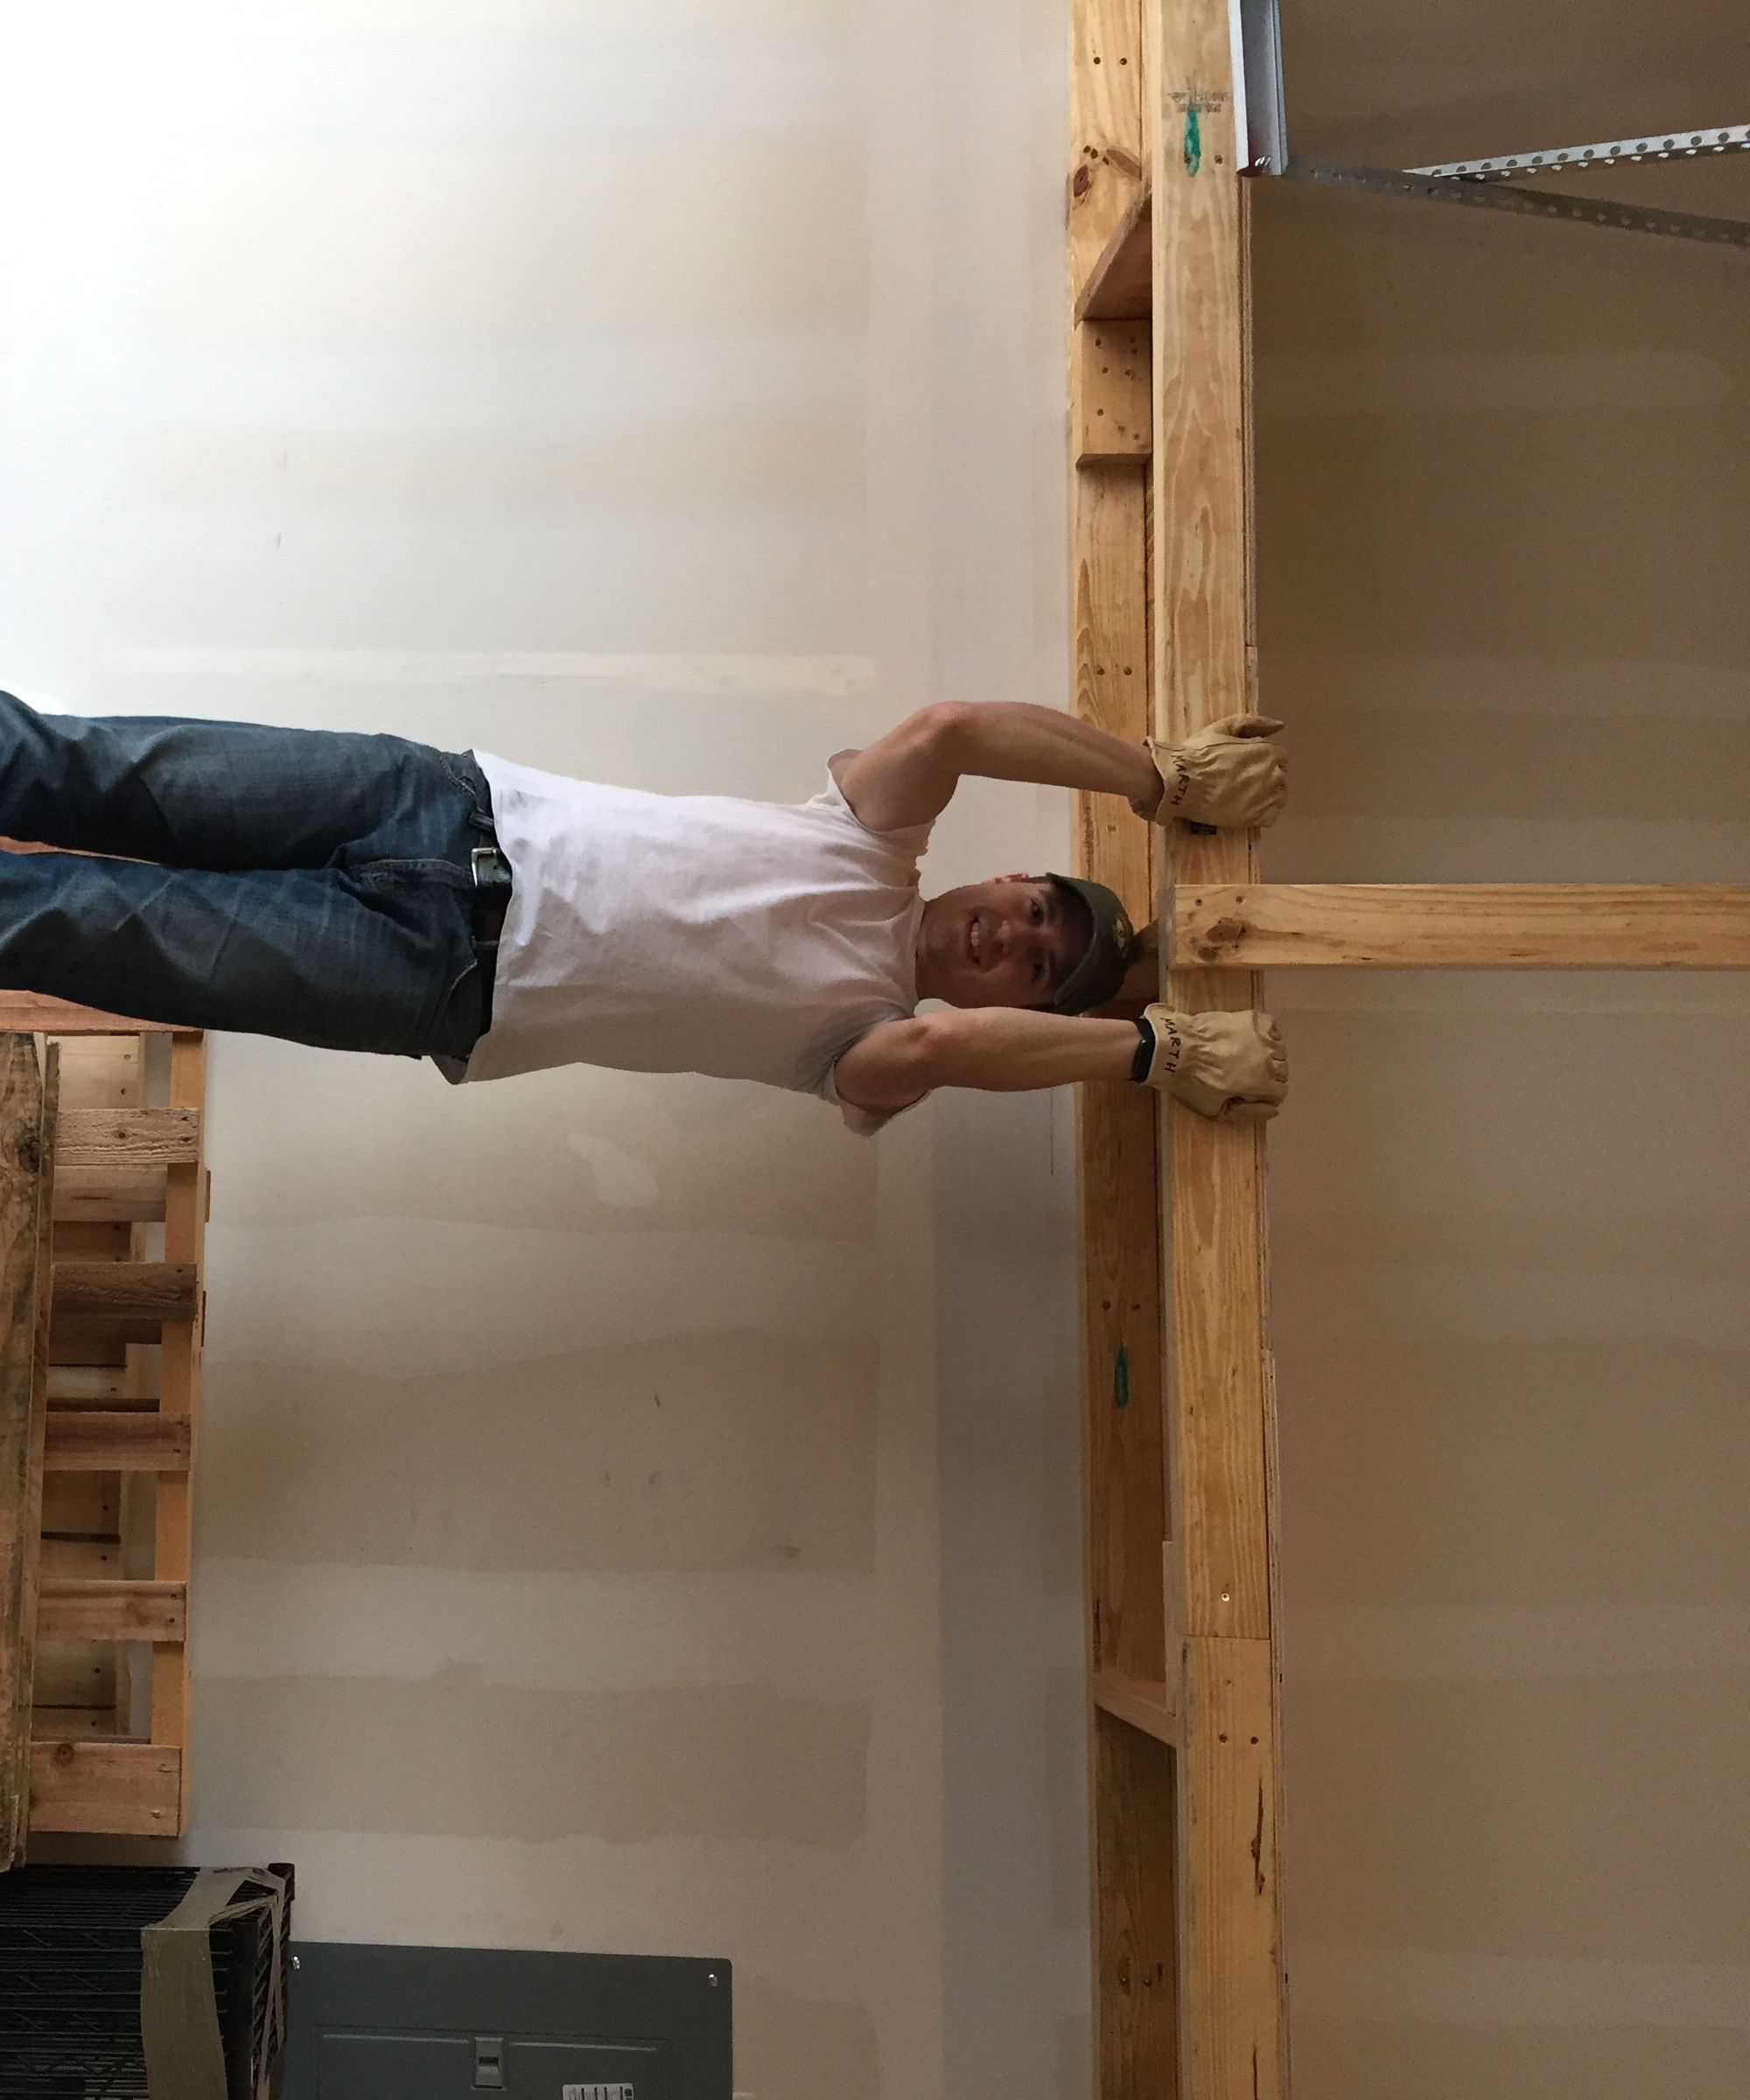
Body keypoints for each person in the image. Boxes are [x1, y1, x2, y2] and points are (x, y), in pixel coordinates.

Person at [0, 690, 1288, 1130]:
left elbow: (947, 1053)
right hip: (434, 804)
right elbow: (954, 728)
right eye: (1036, 912)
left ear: (1015, 1006)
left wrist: (1147, 1051)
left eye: (1036, 967)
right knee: (84, 770)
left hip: (423, 977)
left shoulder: (867, 1045)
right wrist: (1154, 776)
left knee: (60, 920)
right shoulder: (869, 840)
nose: (1015, 939)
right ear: (1009, 882)